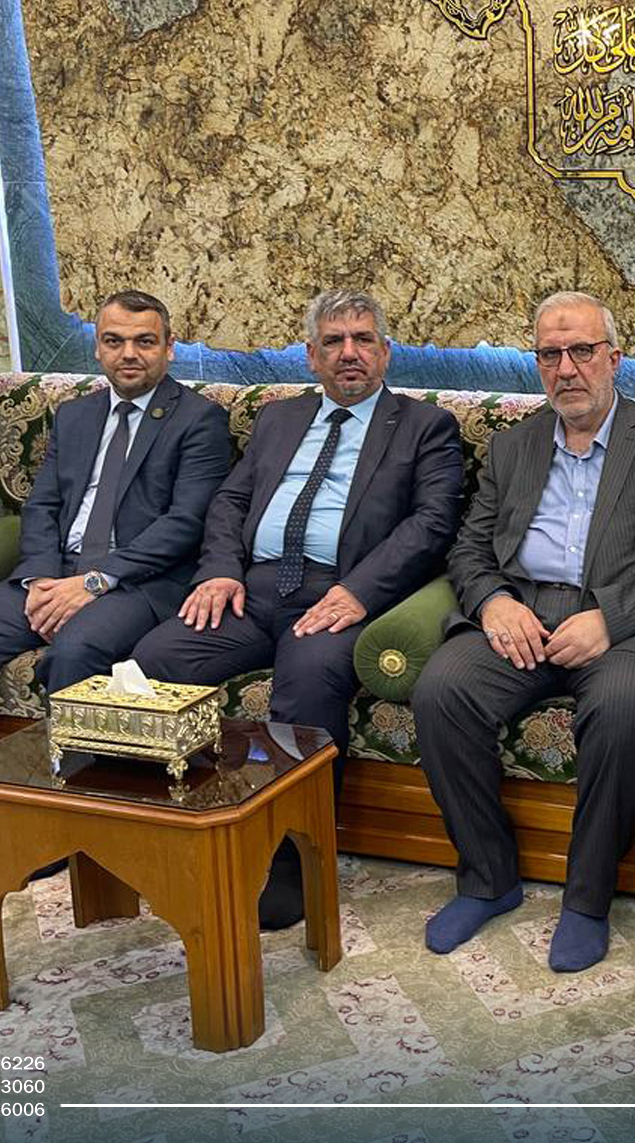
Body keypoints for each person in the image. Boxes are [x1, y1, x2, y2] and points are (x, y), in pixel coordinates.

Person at [132, 287, 463, 930]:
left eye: (363, 339)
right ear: (311, 356)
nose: (349, 353)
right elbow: (229, 502)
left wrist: (360, 591)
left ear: (386, 352)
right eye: (333, 342)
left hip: (338, 595)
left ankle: (294, 863)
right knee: (157, 660)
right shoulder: (279, 419)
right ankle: (188, 823)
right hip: (252, 589)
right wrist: (220, 570)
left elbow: (431, 524)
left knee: (306, 688)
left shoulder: (425, 426)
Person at [412, 291, 635, 973]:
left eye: (582, 350)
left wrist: (610, 617)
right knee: (442, 691)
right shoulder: (513, 445)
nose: (567, 368)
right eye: (550, 354)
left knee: (620, 707)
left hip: (628, 624)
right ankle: (487, 879)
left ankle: (587, 899)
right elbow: (469, 548)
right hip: (523, 612)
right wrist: (493, 602)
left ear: (614, 358)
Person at [0, 291, 232, 863]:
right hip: (57, 573)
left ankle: (71, 813)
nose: (129, 354)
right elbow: (43, 507)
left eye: (144, 341)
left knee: (74, 652)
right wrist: (39, 580)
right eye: (114, 341)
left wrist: (96, 582)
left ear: (169, 349)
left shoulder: (199, 419)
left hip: (139, 582)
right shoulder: (76, 415)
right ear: (97, 349)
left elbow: (185, 524)